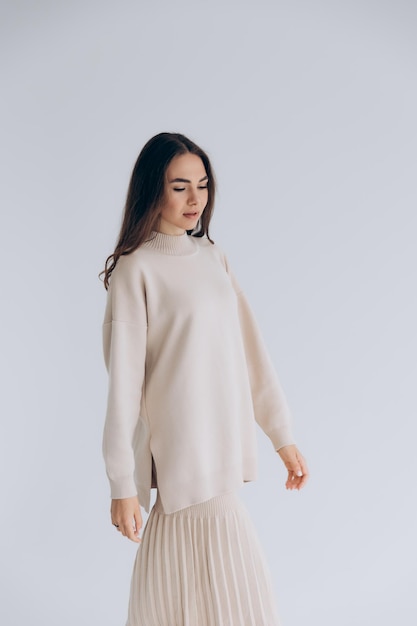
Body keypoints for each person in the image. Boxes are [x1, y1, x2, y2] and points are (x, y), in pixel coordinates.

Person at [100, 132, 309, 626]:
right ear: (153, 189)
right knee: (174, 608)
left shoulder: (214, 258)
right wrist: (121, 484)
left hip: (221, 464)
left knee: (238, 605)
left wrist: (282, 435)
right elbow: (123, 389)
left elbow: (250, 354)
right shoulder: (136, 270)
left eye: (203, 184)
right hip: (177, 470)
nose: (196, 199)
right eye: (180, 187)